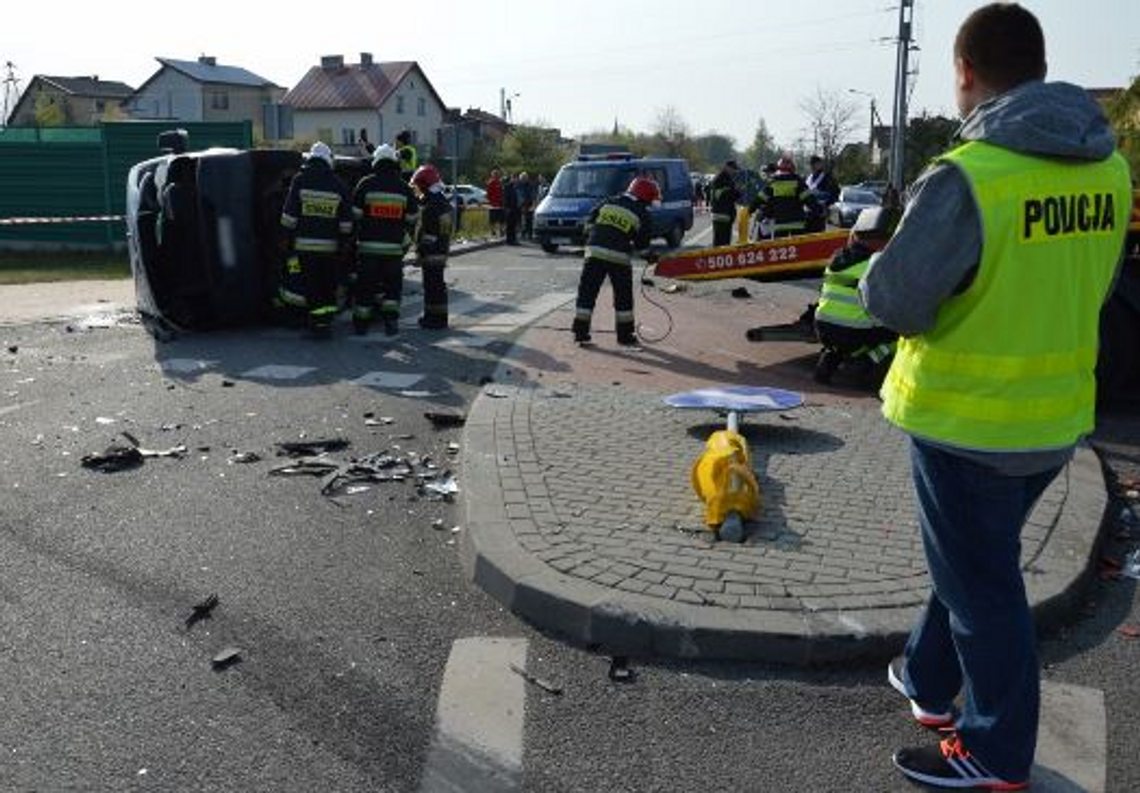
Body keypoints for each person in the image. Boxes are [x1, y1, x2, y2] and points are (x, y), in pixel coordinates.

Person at [859, 4, 1131, 789]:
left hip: (965, 421)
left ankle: (993, 749)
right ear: (1040, 69)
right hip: (1054, 420)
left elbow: (895, 300)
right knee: (974, 560)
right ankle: (924, 673)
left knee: (983, 587)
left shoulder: (970, 174)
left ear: (966, 71)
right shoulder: (1109, 170)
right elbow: (1097, 282)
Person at [812, 207, 899, 386]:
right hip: (855, 330)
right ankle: (866, 361)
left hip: (823, 325)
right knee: (901, 334)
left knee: (842, 339)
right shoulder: (877, 264)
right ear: (878, 241)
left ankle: (831, 357)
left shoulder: (836, 258)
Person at [571, 176, 659, 347]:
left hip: (594, 253)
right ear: (645, 197)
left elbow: (587, 225)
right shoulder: (642, 213)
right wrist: (651, 257)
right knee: (623, 297)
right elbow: (642, 247)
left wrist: (595, 237)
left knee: (587, 294)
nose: (649, 204)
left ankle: (580, 333)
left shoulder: (609, 201)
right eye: (650, 200)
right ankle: (624, 336)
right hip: (618, 258)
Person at [279, 141, 354, 337]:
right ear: (328, 161)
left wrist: (285, 240)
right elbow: (346, 224)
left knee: (304, 284)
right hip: (329, 251)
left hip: (302, 250)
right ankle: (324, 323)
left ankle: (307, 321)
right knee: (326, 286)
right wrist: (343, 246)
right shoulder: (339, 185)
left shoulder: (300, 180)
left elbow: (289, 217)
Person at [350, 144, 419, 336]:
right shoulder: (404, 187)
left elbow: (355, 214)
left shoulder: (365, 183)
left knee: (366, 287)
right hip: (393, 250)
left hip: (368, 248)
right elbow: (413, 218)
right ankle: (391, 322)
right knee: (392, 288)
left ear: (376, 162)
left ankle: (361, 324)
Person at [410, 164, 453, 329]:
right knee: (437, 286)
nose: (418, 190)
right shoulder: (443, 203)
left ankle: (433, 320)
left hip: (432, 252)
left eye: (418, 186)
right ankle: (439, 318)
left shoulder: (431, 207)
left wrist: (421, 252)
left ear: (425, 185)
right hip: (441, 250)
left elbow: (429, 234)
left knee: (432, 287)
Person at [749, 156, 820, 238]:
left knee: (781, 245)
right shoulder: (798, 182)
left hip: (779, 225)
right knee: (798, 245)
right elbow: (809, 199)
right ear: (793, 168)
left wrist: (750, 209)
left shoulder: (773, 182)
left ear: (779, 169)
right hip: (797, 225)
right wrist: (819, 210)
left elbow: (760, 198)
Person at [708, 160, 741, 246]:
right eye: (733, 169)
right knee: (722, 243)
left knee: (722, 242)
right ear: (727, 167)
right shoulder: (722, 179)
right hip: (722, 214)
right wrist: (736, 192)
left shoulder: (726, 178)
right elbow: (727, 195)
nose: (734, 171)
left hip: (723, 214)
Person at [503, 172, 521, 245]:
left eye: (516, 178)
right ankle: (509, 240)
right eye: (514, 178)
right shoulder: (507, 186)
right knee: (509, 225)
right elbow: (505, 197)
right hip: (509, 207)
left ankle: (513, 239)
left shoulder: (516, 186)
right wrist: (507, 207)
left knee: (514, 224)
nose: (515, 179)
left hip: (516, 208)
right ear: (511, 178)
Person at [518, 171, 536, 239]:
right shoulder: (518, 185)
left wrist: (533, 204)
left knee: (529, 220)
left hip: (529, 204)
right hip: (521, 205)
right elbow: (518, 195)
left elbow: (533, 195)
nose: (523, 179)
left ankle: (529, 234)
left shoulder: (530, 185)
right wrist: (520, 204)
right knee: (522, 220)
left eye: (525, 178)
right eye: (522, 178)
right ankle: (523, 234)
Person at [485, 169, 504, 236]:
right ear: (492, 175)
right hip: (493, 204)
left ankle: (501, 230)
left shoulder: (500, 183)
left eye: (497, 174)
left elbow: (502, 192)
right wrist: (491, 201)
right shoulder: (490, 183)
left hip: (500, 203)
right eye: (495, 174)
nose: (496, 176)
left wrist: (502, 200)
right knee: (492, 219)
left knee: (501, 219)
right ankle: (493, 231)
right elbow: (488, 194)